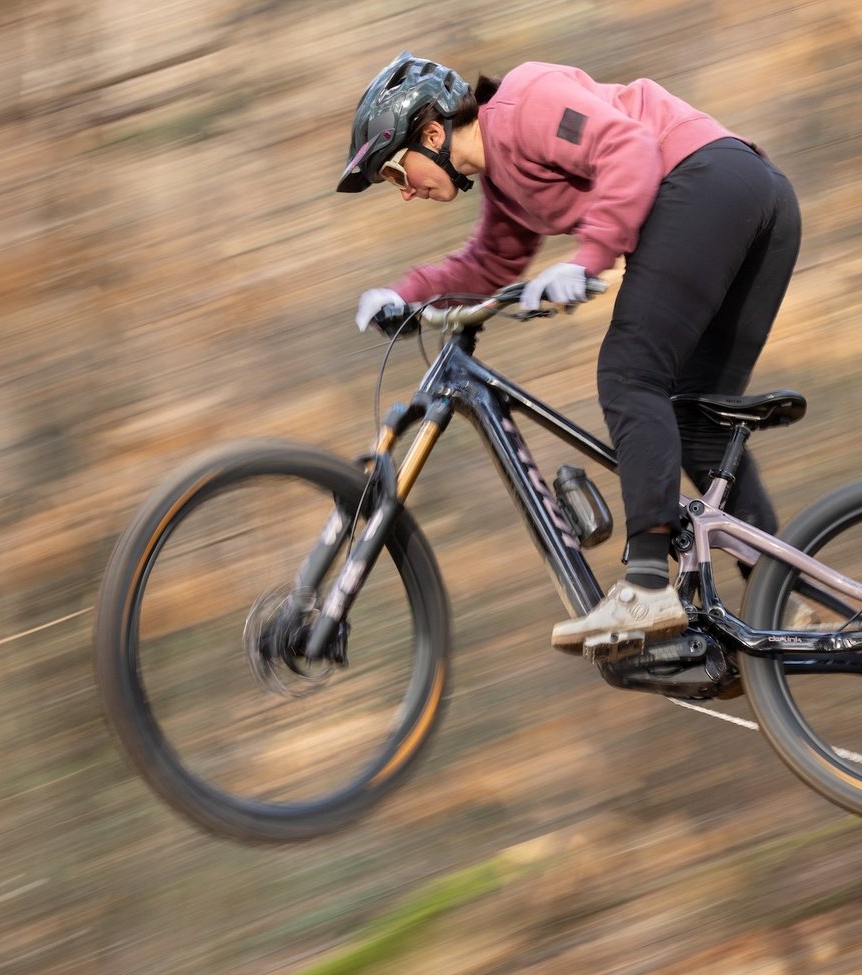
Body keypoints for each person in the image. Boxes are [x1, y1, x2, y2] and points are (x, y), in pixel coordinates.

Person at [337, 53, 800, 656]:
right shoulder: (504, 183)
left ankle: (646, 586)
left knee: (630, 375)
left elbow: (628, 148)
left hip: (712, 183)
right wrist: (404, 295)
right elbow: (488, 264)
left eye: (396, 174)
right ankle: (784, 607)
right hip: (754, 204)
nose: (402, 194)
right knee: (694, 423)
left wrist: (587, 260)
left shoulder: (527, 102)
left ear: (431, 134)